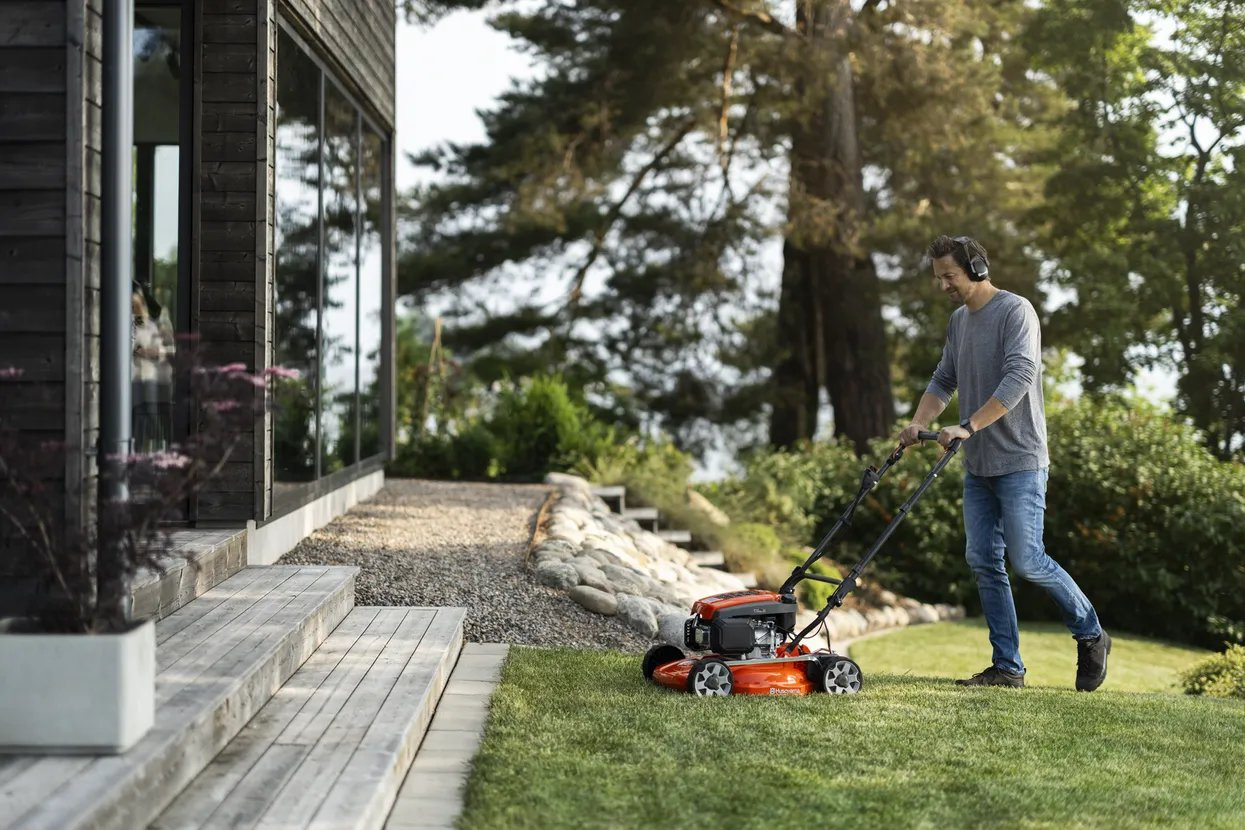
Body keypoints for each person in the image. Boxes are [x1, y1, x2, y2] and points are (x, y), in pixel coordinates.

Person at [897, 235, 1110, 691]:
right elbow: (943, 378)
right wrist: (918, 423)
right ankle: (1008, 667)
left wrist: (967, 427)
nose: (944, 286)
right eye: (938, 278)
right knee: (982, 560)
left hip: (1020, 461)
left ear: (975, 267)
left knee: (1028, 559)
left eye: (949, 276)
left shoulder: (1017, 312)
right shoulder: (959, 322)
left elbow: (1020, 376)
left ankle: (1091, 634)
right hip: (979, 466)